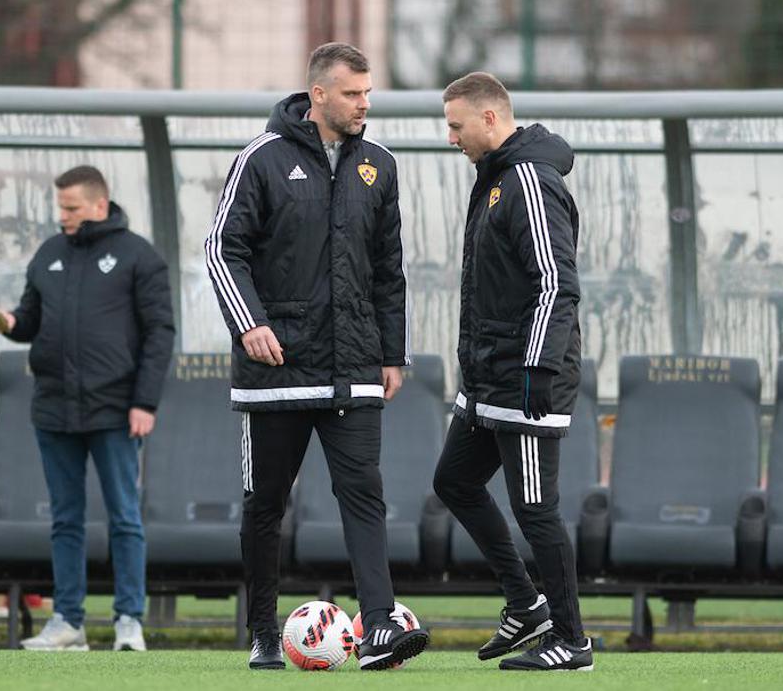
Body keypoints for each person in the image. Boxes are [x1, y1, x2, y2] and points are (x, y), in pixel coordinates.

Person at [204, 42, 428, 671]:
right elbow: (223, 249)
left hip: (355, 366)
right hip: (276, 371)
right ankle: (263, 631)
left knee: (364, 493)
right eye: (354, 94)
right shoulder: (261, 159)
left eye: (368, 93)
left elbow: (390, 270)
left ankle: (380, 625)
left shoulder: (378, 165)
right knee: (266, 503)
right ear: (319, 95)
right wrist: (249, 324)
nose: (364, 104)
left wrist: (393, 353)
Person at [433, 72, 593, 671]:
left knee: (536, 509)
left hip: (528, 379)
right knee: (453, 481)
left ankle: (572, 641)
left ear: (491, 120)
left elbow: (557, 282)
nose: (451, 138)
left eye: (456, 125)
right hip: (488, 380)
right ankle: (528, 606)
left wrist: (538, 367)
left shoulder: (528, 181)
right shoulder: (496, 180)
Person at [0, 165, 174, 652]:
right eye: (60, 207)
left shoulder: (139, 257)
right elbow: (30, 320)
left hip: (116, 410)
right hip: (54, 410)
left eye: (71, 208)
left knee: (124, 517)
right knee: (64, 519)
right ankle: (68, 622)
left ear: (99, 205)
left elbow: (159, 336)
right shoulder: (48, 254)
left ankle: (129, 620)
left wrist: (144, 402)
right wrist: (9, 322)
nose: (62, 216)